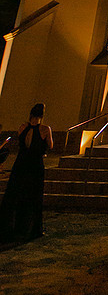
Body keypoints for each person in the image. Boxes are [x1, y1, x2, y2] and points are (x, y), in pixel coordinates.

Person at [0, 103, 53, 241]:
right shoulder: (45, 129)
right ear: (42, 115)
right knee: (33, 195)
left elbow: (22, 142)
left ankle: (10, 226)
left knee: (16, 193)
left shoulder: (23, 127)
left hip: (21, 163)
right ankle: (30, 228)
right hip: (35, 165)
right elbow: (50, 145)